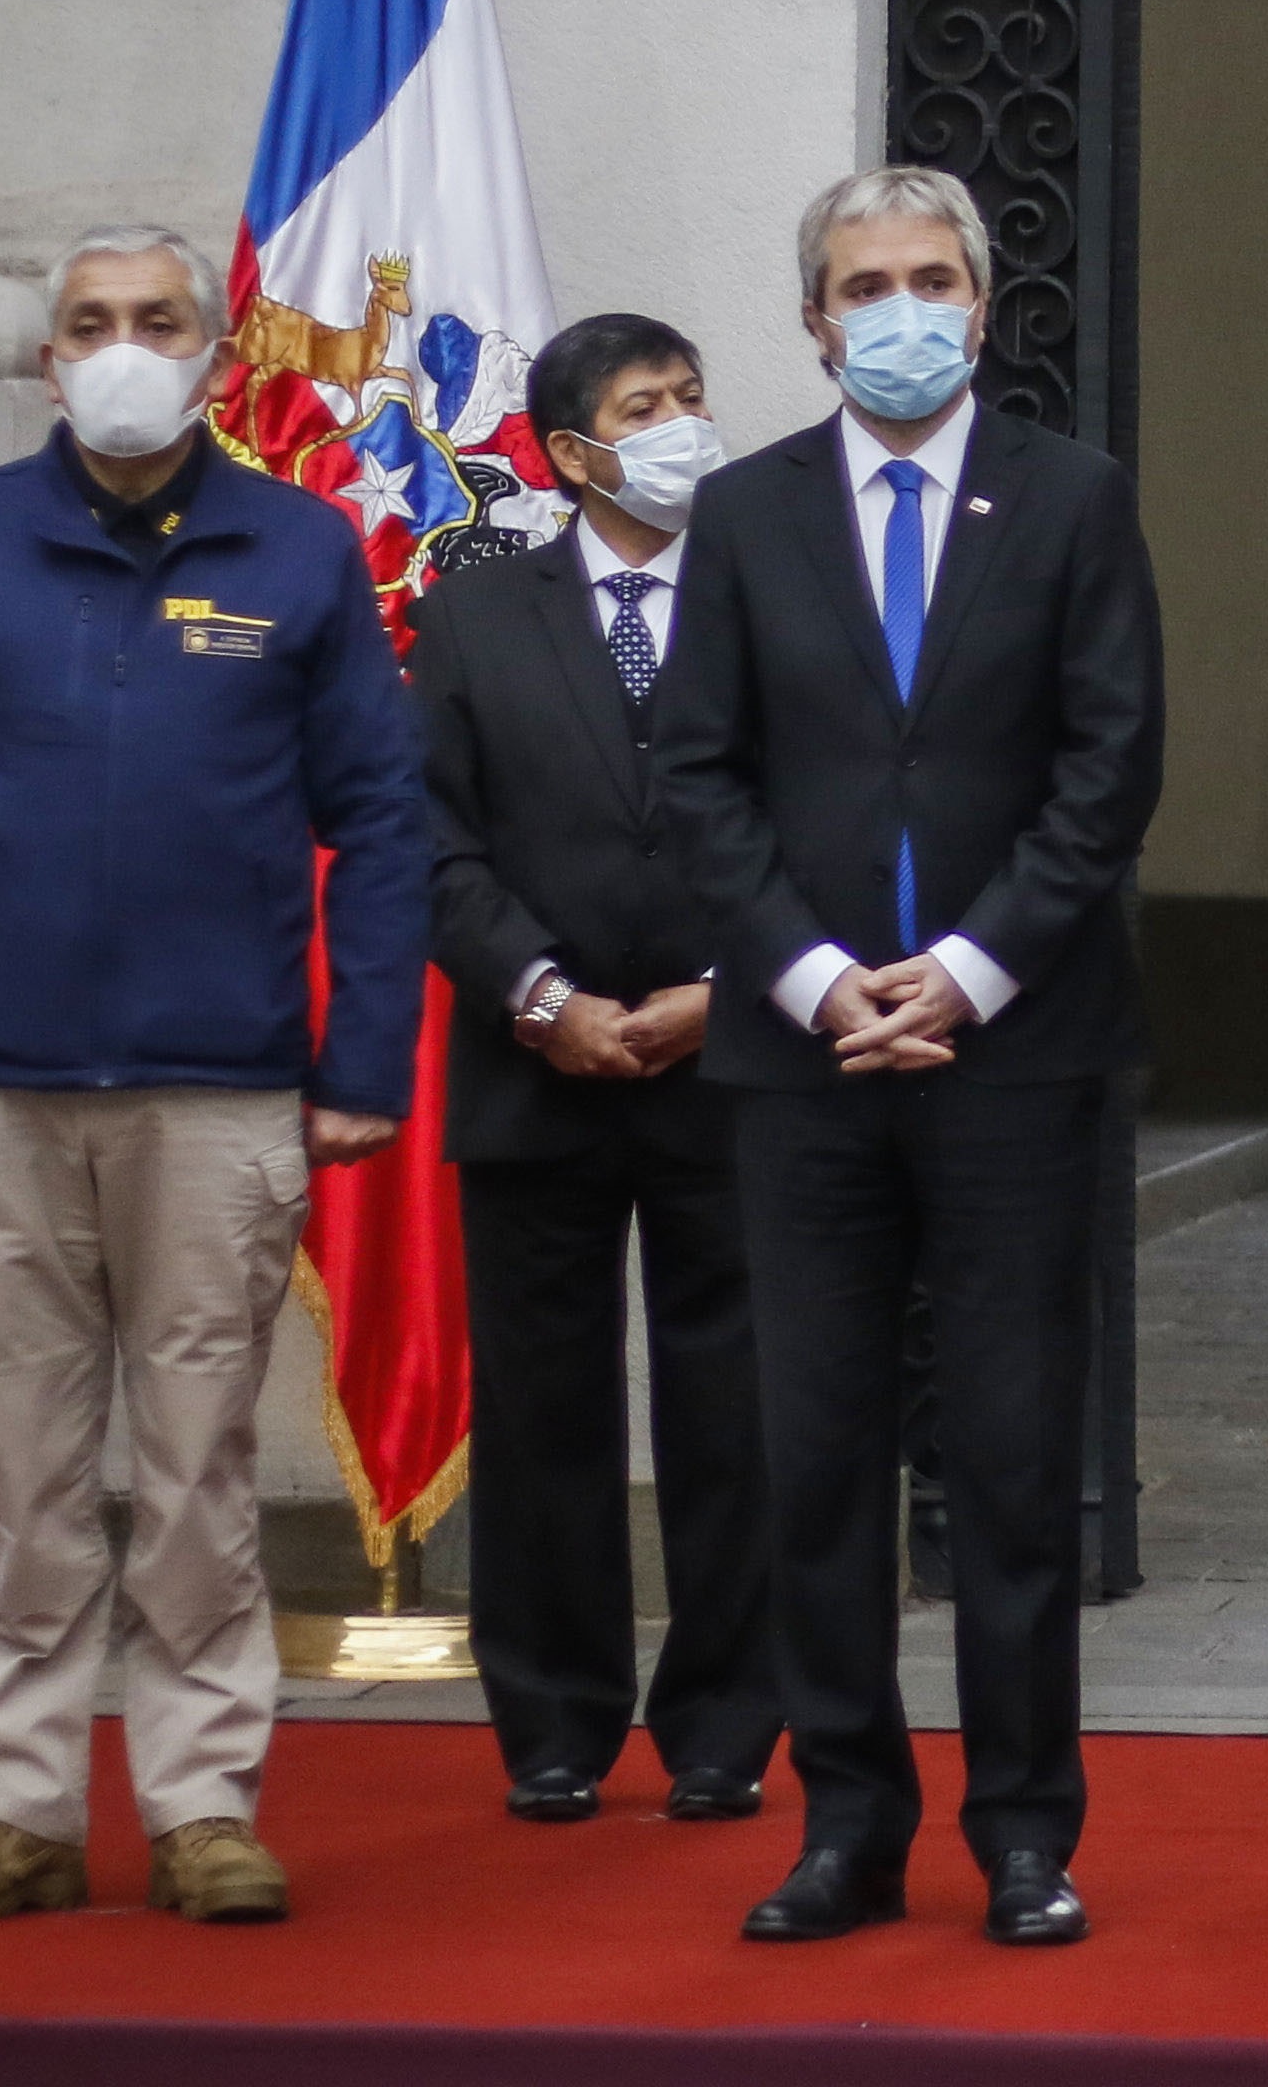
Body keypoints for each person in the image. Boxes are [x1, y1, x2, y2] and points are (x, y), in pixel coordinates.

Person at [0, 222, 429, 1927]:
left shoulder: (300, 550)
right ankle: (13, 1802)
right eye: (93, 323)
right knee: (22, 1467)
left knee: (196, 1465)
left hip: (220, 1094)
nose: (125, 346)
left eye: (159, 320)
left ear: (219, 352)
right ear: (48, 360)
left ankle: (202, 1802)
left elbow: (380, 823)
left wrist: (360, 1057)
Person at [650, 166, 1167, 1948]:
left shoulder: (1076, 501)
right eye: (862, 284)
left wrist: (963, 971)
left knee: (1018, 1466)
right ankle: (846, 1829)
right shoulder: (742, 514)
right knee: (814, 1460)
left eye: (930, 277)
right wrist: (806, 979)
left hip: (1013, 1058)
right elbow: (696, 775)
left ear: (985, 299)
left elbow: (1112, 767)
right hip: (802, 1074)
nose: (898, 311)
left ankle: (1025, 1831)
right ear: (812, 318)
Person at [407, 313, 778, 1829]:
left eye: (695, 395)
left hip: (729, 1060)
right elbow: (428, 838)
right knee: (548, 1417)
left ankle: (724, 1725)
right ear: (570, 452)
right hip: (535, 1070)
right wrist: (542, 994)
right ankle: (554, 1724)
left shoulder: (768, 592)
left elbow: (817, 818)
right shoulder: (477, 611)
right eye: (648, 405)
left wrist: (723, 993)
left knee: (732, 1409)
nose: (685, 423)